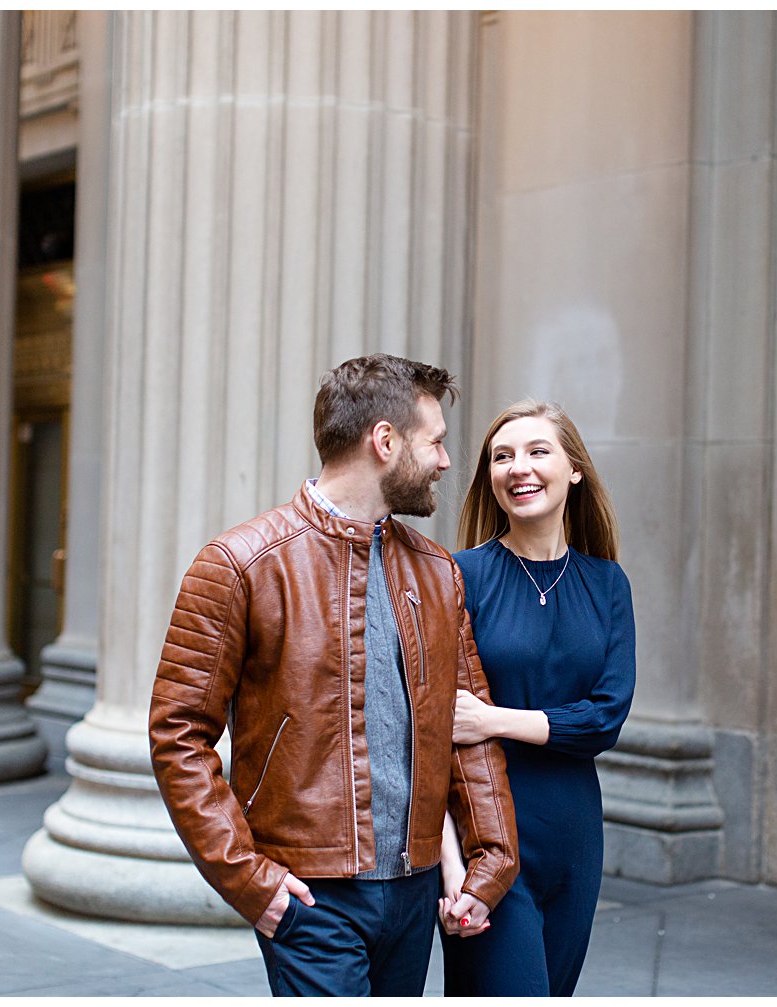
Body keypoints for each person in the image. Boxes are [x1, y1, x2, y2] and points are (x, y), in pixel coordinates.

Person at [147, 353, 519, 997]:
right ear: (384, 441)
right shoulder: (240, 564)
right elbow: (179, 734)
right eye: (434, 442)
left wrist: (488, 865)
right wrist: (249, 881)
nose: (445, 462)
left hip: (414, 893)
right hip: (310, 898)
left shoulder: (437, 572)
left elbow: (466, 727)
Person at [438, 399, 636, 996]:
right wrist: (452, 872)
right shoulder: (458, 576)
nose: (518, 468)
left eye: (537, 451)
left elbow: (605, 720)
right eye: (502, 457)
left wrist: (493, 719)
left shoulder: (607, 584)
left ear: (574, 469)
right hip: (488, 835)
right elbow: (433, 736)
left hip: (575, 837)